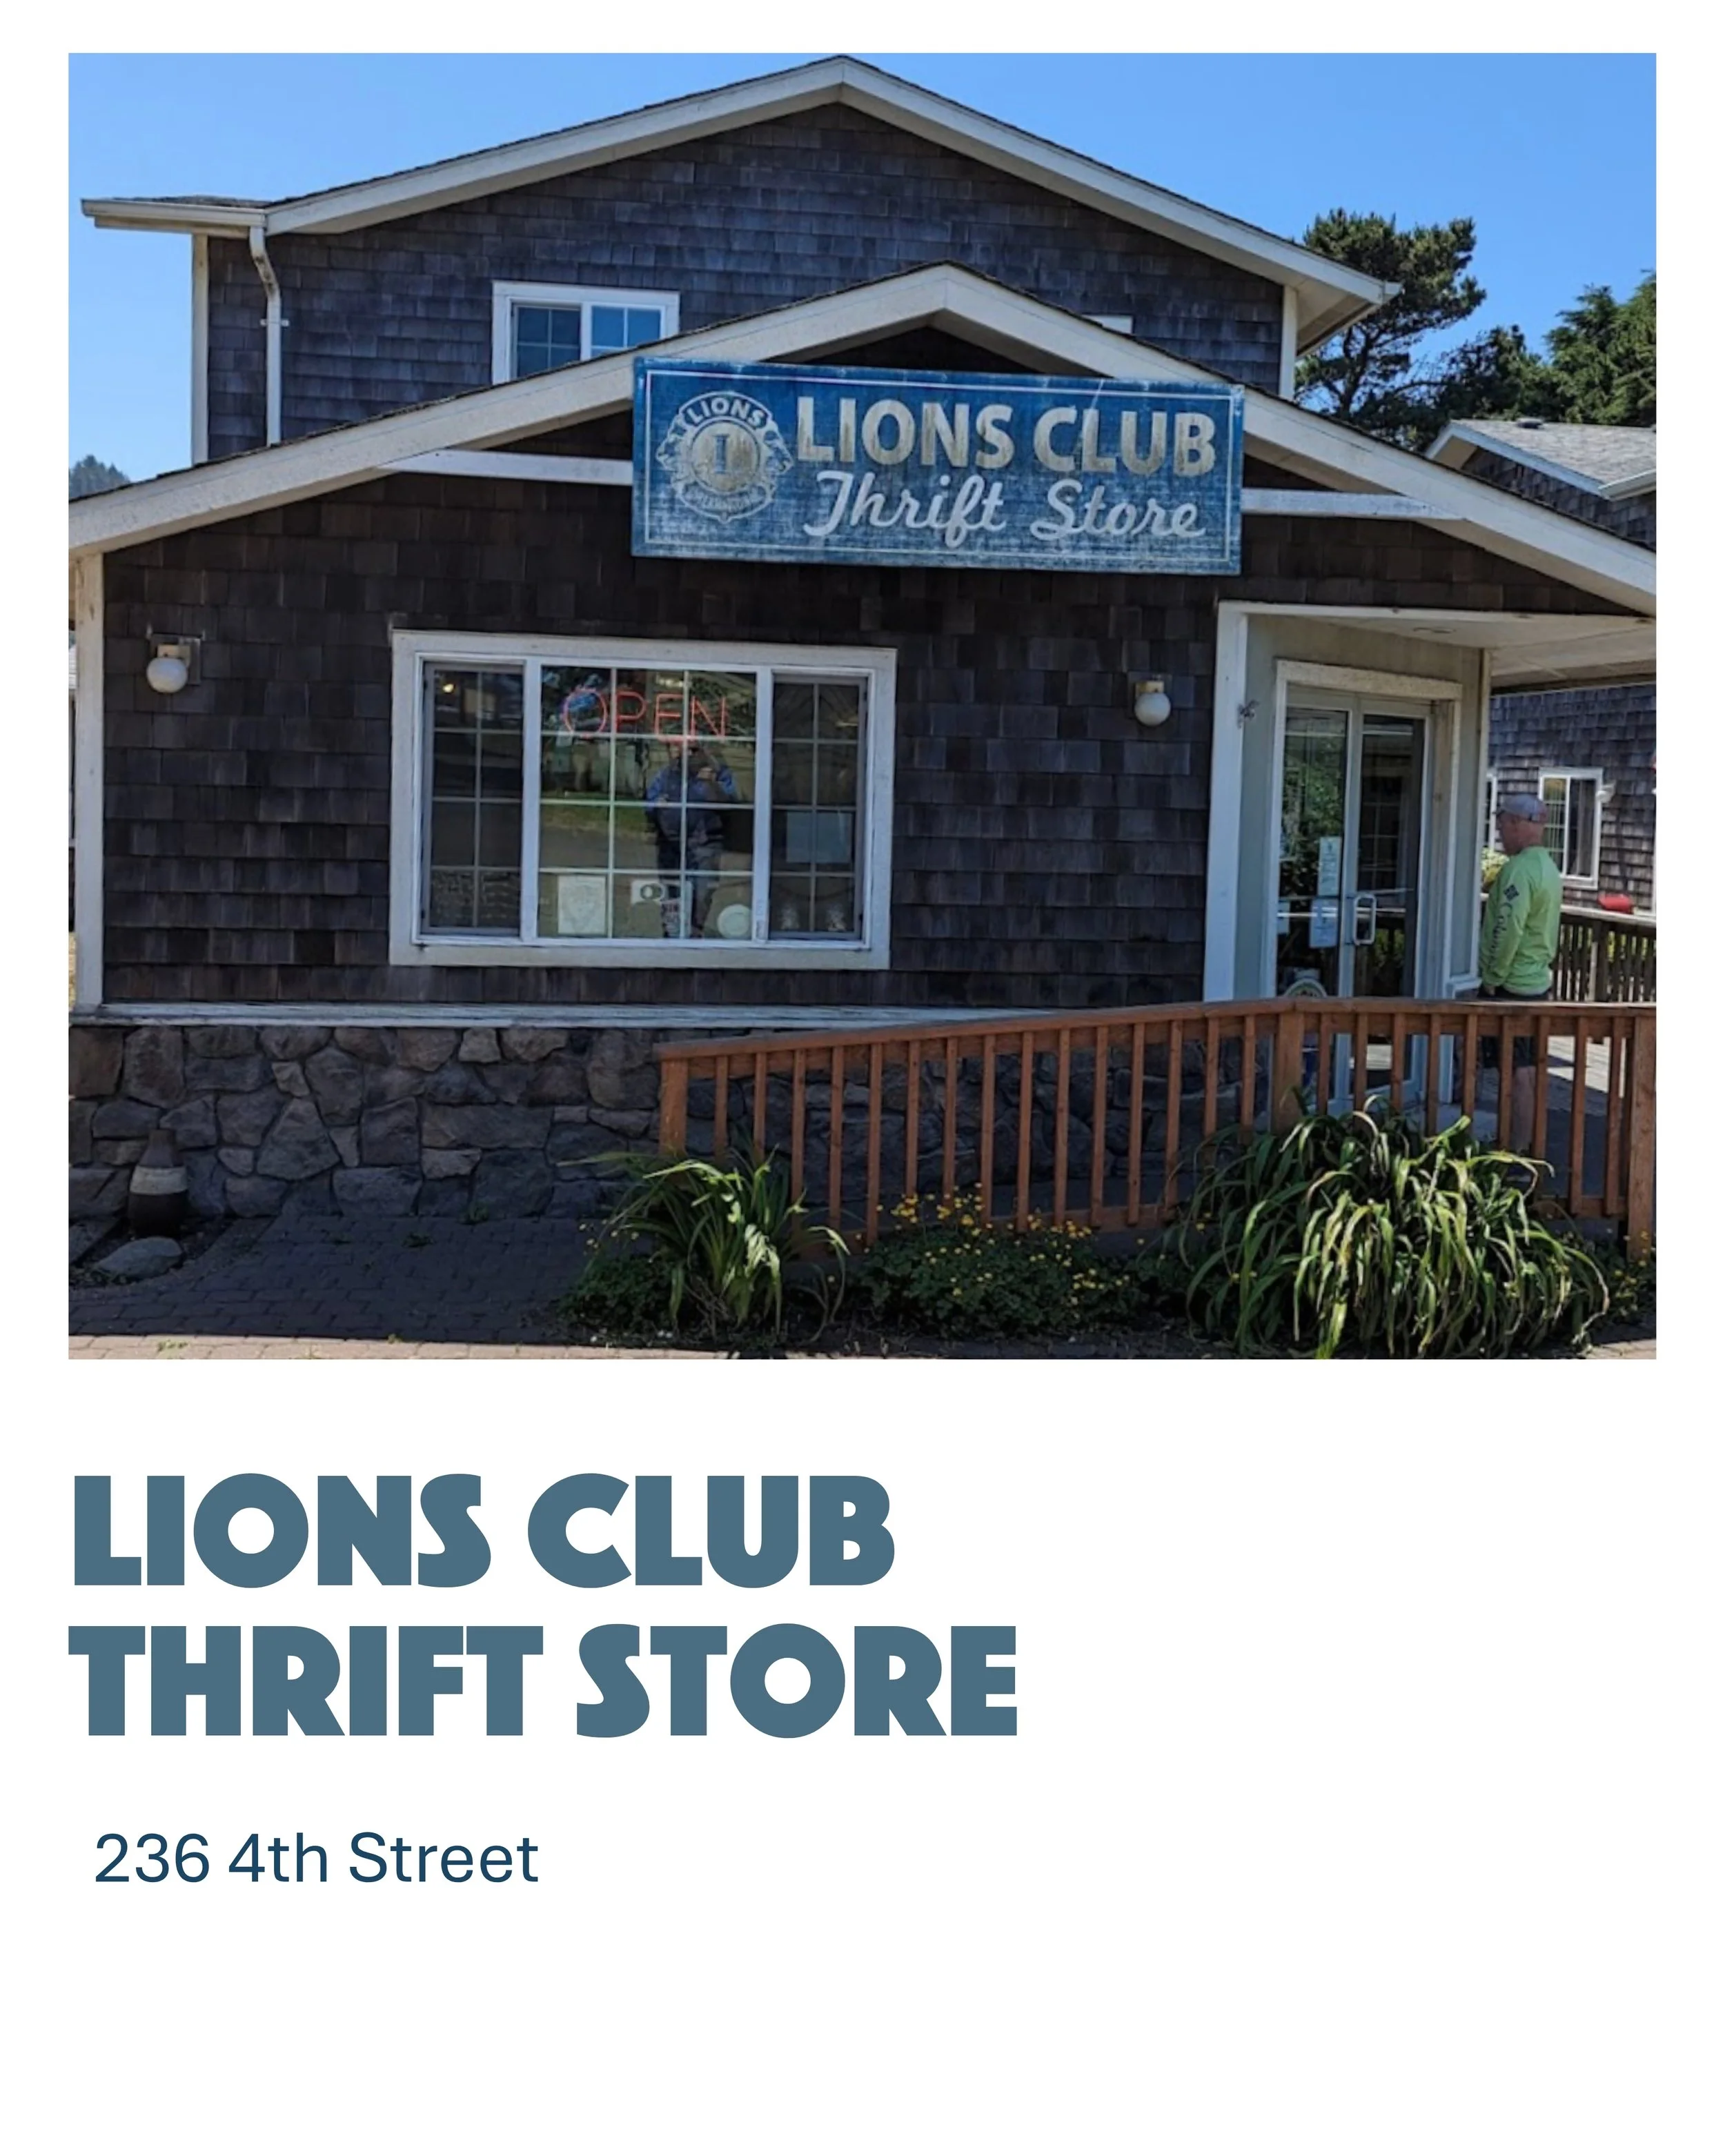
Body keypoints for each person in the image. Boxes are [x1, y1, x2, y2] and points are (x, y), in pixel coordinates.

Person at [1479, 791, 1563, 1155]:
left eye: (1502, 822)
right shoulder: (1548, 867)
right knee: (1526, 1066)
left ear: (1517, 823)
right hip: (1537, 983)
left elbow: (1507, 928)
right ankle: (1521, 1146)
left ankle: (1513, 1149)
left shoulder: (1518, 870)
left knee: (1514, 1071)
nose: (1500, 829)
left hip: (1511, 986)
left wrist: (1492, 980)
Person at [644, 743, 737, 938]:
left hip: (706, 842)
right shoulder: (667, 774)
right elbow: (650, 803)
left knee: (702, 891)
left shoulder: (717, 774)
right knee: (671, 891)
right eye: (682, 748)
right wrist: (656, 806)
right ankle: (671, 933)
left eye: (694, 749)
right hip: (671, 844)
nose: (688, 754)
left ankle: (695, 931)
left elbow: (730, 805)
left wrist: (712, 784)